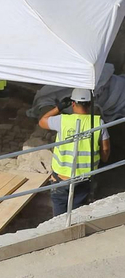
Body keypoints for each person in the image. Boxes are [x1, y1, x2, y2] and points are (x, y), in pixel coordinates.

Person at [40, 88, 109, 216]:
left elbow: (42, 121)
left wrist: (59, 107)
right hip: (83, 180)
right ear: (90, 104)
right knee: (77, 214)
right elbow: (105, 149)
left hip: (60, 179)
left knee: (58, 218)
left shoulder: (62, 120)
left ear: (72, 103)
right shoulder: (98, 123)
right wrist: (102, 160)